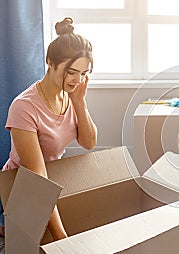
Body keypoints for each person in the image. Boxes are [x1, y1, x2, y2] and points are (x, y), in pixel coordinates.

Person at [0, 17, 97, 240]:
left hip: (54, 177)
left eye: (84, 73)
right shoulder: (24, 107)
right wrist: (61, 238)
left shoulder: (71, 94)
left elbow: (89, 142)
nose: (77, 80)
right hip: (23, 183)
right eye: (71, 72)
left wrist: (80, 103)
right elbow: (37, 177)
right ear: (50, 62)